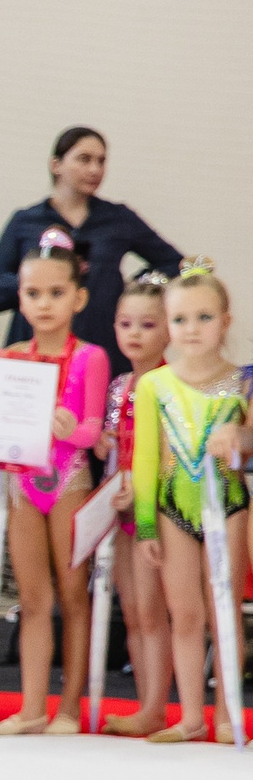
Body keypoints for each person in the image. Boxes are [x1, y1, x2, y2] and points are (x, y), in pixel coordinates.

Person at [0, 228, 109, 736]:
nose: (44, 304)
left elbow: (93, 428)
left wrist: (70, 429)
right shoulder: (11, 357)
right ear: (19, 297)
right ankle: (33, 706)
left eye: (56, 293)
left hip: (69, 481)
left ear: (79, 297)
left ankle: (70, 709)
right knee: (33, 599)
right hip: (22, 486)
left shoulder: (89, 357)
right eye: (33, 294)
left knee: (73, 597)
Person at [130, 259, 247, 744]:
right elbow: (145, 459)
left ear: (226, 320)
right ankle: (191, 715)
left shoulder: (245, 381)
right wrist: (146, 526)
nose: (191, 329)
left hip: (232, 508)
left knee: (226, 611)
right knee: (185, 613)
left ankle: (227, 714)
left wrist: (240, 433)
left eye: (203, 317)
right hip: (173, 512)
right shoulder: (154, 384)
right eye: (179, 320)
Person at [0, 127, 180, 355]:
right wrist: (38, 279)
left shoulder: (118, 219)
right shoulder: (26, 221)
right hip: (36, 347)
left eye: (101, 161)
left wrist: (132, 289)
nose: (94, 169)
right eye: (84, 159)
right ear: (56, 165)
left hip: (101, 341)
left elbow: (174, 263)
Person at [97, 273, 173, 737]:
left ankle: (155, 706)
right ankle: (146, 703)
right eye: (125, 324)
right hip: (120, 507)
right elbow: (116, 446)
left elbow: (169, 454)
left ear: (167, 328)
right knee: (133, 611)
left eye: (146, 325)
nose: (133, 334)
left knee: (152, 609)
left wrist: (143, 496)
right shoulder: (119, 385)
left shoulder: (168, 383)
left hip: (155, 510)